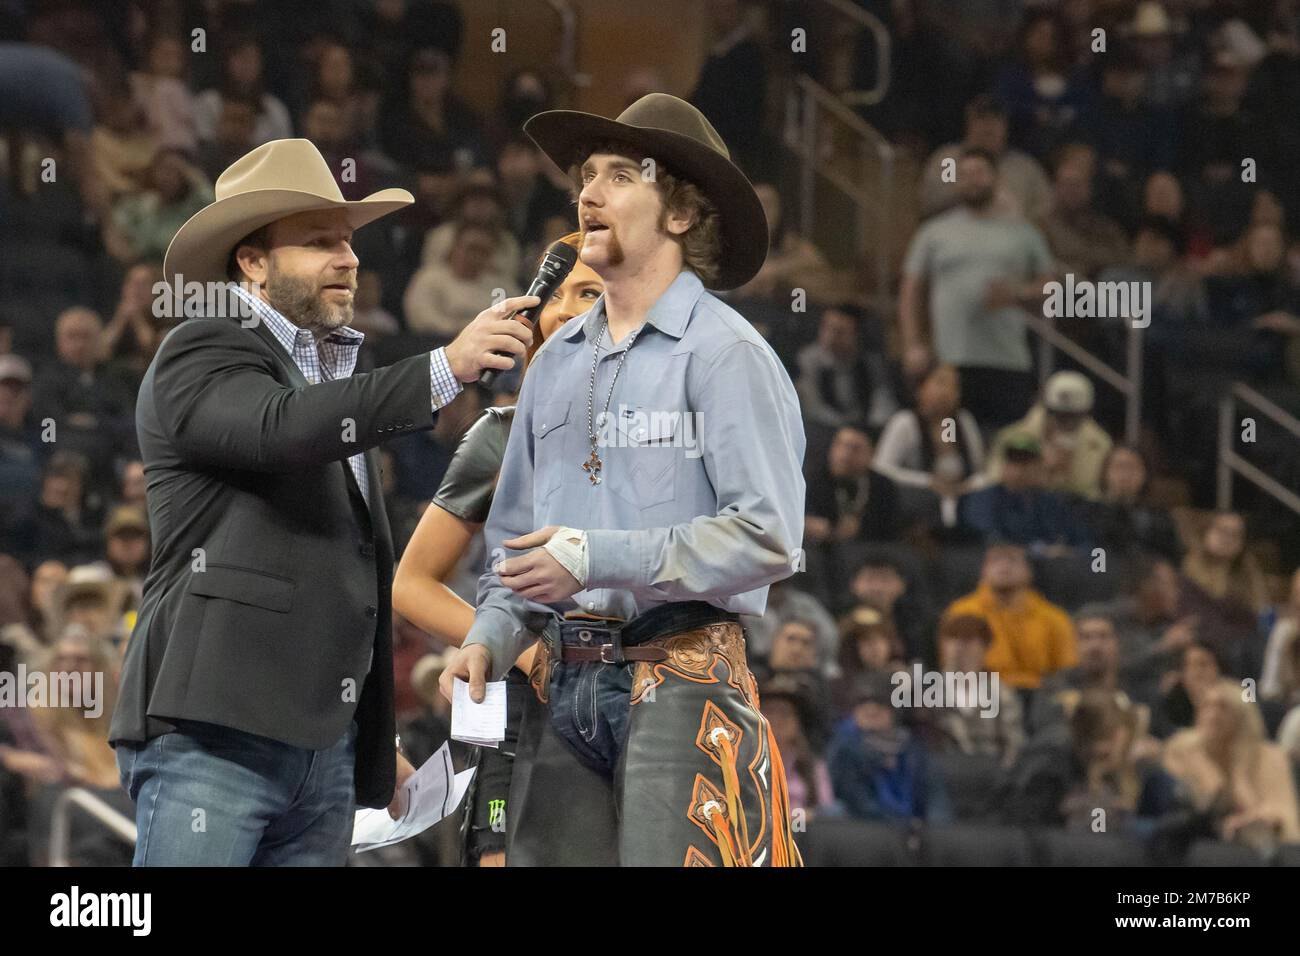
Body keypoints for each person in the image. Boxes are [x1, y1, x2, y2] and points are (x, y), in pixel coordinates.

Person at [108, 138, 533, 867]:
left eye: (349, 240)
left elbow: (345, 577)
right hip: (213, 733)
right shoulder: (202, 345)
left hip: (324, 755)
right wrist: (443, 367)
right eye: (318, 241)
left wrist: (371, 737)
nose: (348, 257)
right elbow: (275, 431)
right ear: (252, 262)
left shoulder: (333, 382)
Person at [440, 94, 807, 867]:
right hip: (561, 682)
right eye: (585, 176)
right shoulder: (557, 361)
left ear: (680, 216)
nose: (589, 193)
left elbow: (768, 536)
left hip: (680, 674)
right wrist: (488, 636)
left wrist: (594, 554)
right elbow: (514, 543)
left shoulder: (725, 354)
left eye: (619, 175)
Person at [392, 233, 603, 866]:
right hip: (524, 710)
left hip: (643, 695)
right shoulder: (500, 435)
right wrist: (518, 649)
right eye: (557, 295)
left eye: (589, 293)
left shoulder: (665, 428)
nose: (564, 310)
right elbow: (410, 584)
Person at [899, 147, 1056, 427]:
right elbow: (911, 291)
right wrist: (913, 343)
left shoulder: (1024, 233)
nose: (973, 180)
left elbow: (1051, 287)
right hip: (950, 360)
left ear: (996, 178)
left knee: (1008, 444)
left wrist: (1018, 294)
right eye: (966, 174)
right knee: (955, 441)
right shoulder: (934, 232)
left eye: (980, 173)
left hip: (1008, 360)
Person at [1163, 679, 1300, 852]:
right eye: (1206, 706)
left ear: (1242, 715)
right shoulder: (1181, 750)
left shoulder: (1270, 756)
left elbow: (1288, 822)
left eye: (1222, 707)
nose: (1212, 715)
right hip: (1200, 848)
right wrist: (1210, 778)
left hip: (1262, 849)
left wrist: (1241, 779)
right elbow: (1191, 815)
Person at [944, 543, 1078, 691]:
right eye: (996, 560)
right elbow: (952, 666)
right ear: (983, 571)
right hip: (981, 692)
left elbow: (1067, 670)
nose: (1004, 567)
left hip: (1039, 694)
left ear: (1029, 572)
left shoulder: (1054, 617)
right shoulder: (962, 612)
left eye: (1012, 560)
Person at [987, 371, 1114, 500]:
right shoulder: (1012, 436)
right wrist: (1040, 470)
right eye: (1058, 415)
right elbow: (994, 481)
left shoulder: (1100, 443)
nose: (1065, 422)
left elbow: (1101, 495)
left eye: (1072, 416)